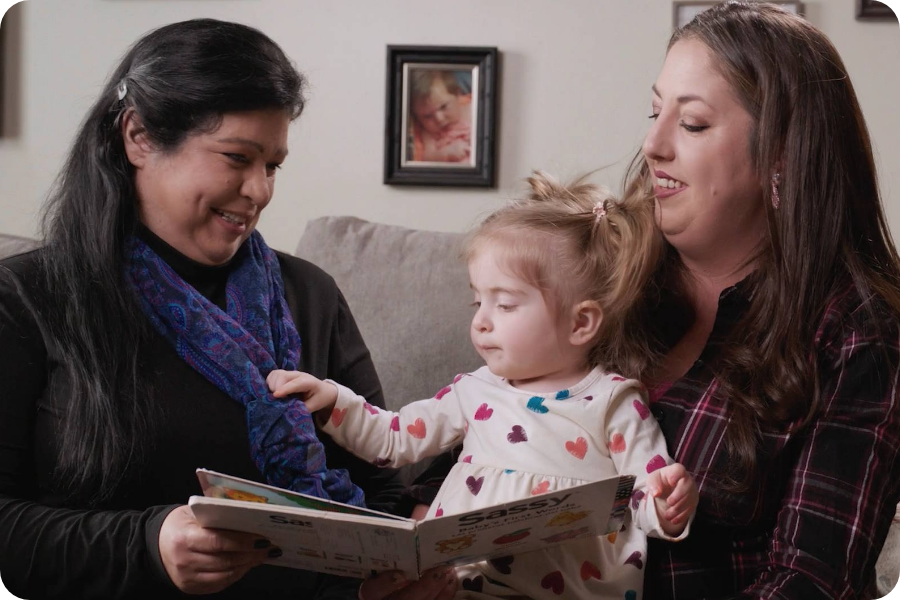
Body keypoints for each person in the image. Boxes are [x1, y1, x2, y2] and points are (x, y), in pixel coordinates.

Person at [0, 19, 456, 600]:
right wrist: (148, 543)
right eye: (237, 157)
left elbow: (383, 492)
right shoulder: (26, 299)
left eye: (272, 165)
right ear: (138, 136)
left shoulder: (310, 295)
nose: (260, 190)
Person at [268, 171, 700, 599]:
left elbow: (644, 494)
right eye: (478, 300)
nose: (481, 320)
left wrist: (667, 508)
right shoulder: (474, 390)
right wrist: (332, 403)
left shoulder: (613, 401)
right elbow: (394, 438)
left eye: (505, 304)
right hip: (459, 584)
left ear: (581, 322)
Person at [631, 2, 900, 597]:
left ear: (780, 154)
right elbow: (484, 440)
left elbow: (809, 582)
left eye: (693, 124)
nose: (652, 143)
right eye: (654, 111)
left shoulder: (858, 331)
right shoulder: (607, 270)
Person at [408, 69, 473, 164]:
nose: (439, 119)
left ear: (458, 94)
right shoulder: (429, 133)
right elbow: (427, 156)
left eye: (443, 107)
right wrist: (447, 152)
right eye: (427, 116)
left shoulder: (472, 109)